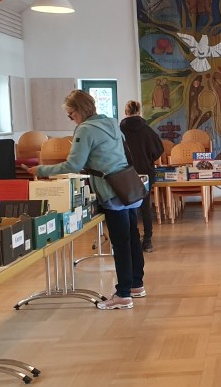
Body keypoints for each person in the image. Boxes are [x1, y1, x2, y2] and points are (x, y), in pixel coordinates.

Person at [27, 90, 146, 310]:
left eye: (70, 114)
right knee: (132, 237)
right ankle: (136, 284)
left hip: (111, 190)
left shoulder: (85, 130)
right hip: (127, 186)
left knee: (120, 244)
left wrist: (42, 169)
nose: (71, 119)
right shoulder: (111, 122)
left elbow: (72, 165)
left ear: (79, 110)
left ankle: (123, 294)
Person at [120, 100, 164, 252]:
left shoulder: (119, 130)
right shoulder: (147, 129)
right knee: (145, 206)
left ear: (126, 112)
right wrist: (148, 158)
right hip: (145, 171)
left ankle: (132, 239)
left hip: (124, 172)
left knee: (125, 207)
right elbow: (158, 149)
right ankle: (147, 240)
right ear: (139, 112)